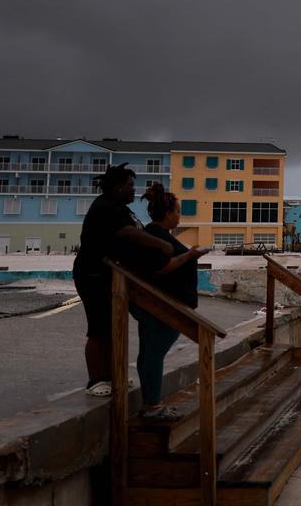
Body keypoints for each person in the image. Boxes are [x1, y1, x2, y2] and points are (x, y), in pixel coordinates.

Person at [73, 164, 173, 397]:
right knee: (98, 328)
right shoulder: (105, 207)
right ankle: (96, 379)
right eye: (129, 185)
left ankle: (112, 373)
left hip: (112, 276)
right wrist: (161, 244)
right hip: (93, 275)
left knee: (111, 326)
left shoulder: (120, 208)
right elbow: (127, 233)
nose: (133, 190)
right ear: (117, 187)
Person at [134, 184, 208, 419]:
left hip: (165, 304)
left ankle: (150, 403)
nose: (179, 215)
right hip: (163, 307)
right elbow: (160, 269)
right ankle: (153, 406)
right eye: (177, 211)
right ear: (167, 214)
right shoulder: (155, 237)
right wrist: (190, 255)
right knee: (154, 353)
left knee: (150, 353)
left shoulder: (155, 234)